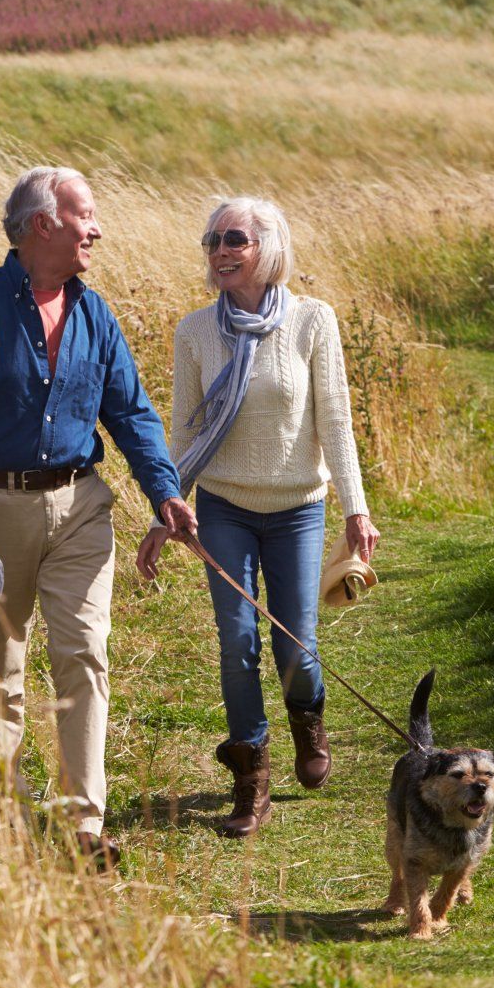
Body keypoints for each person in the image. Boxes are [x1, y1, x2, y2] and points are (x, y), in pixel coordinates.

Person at [0, 166, 196, 868]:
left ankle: (83, 828)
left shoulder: (95, 316)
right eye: (84, 215)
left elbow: (130, 413)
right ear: (44, 224)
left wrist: (165, 491)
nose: (96, 228)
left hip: (81, 506)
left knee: (84, 655)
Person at [136, 197, 378, 839]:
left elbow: (336, 423)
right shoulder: (194, 332)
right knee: (238, 641)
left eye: (233, 238)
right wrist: (166, 507)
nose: (219, 251)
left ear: (266, 247)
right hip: (224, 507)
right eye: (212, 240)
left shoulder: (311, 321)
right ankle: (252, 777)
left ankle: (308, 718)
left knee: (295, 641)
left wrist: (355, 507)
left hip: (299, 507)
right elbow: (184, 432)